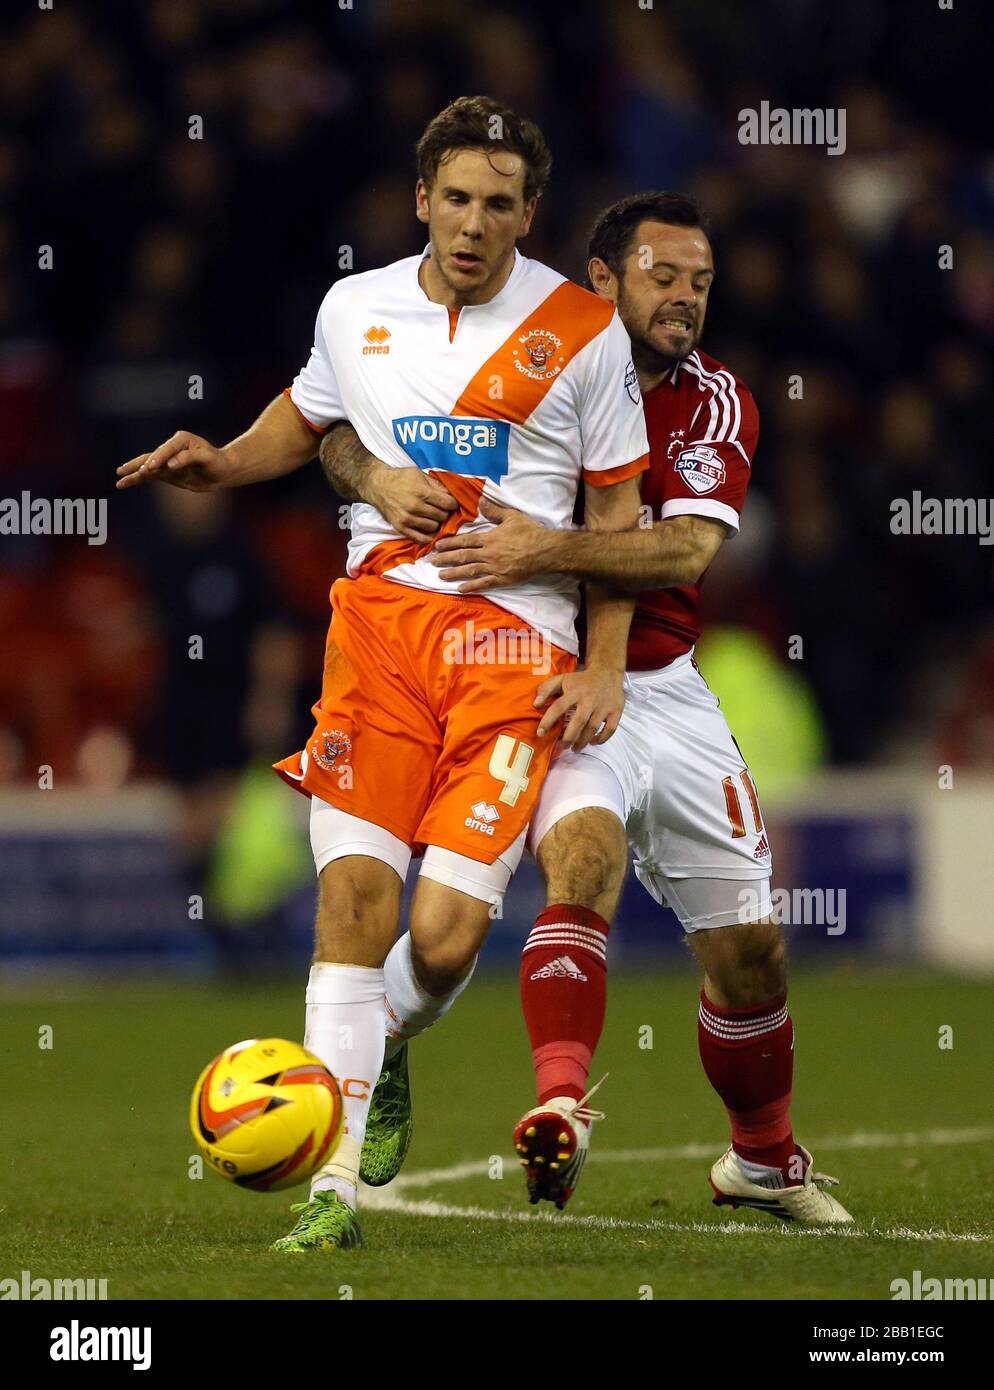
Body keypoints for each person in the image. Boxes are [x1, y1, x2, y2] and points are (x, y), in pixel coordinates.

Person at [117, 96, 649, 1251]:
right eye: (453, 198)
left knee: (450, 934)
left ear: (527, 213)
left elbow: (618, 516)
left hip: (517, 654)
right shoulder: (354, 306)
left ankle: (391, 1043)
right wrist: (221, 461)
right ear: (421, 199)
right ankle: (334, 1185)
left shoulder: (583, 328)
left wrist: (605, 663)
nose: (471, 224)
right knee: (354, 903)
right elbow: (304, 422)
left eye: (497, 204)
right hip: (379, 637)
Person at [325, 191, 852, 1226]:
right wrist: (377, 480)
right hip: (543, 675)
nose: (685, 300)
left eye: (699, 282)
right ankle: (559, 1103)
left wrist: (545, 550)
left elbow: (682, 550)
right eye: (662, 276)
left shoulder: (711, 400)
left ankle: (763, 1159)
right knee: (583, 861)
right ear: (600, 281)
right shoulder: (522, 365)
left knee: (749, 955)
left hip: (666, 688)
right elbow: (351, 431)